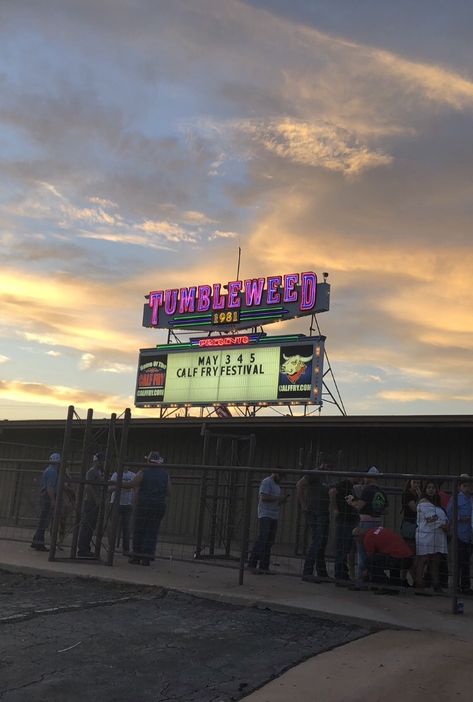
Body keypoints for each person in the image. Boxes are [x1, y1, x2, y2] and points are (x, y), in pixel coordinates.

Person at [347, 466, 388, 590]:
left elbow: (359, 506)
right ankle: (373, 580)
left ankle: (361, 582)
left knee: (362, 553)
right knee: (374, 552)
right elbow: (386, 510)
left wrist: (351, 501)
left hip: (365, 522)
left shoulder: (367, 490)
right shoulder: (381, 492)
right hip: (377, 523)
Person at [127, 451, 170, 566]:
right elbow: (169, 491)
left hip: (143, 504)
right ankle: (147, 557)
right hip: (158, 505)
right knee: (152, 530)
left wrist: (117, 484)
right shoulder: (165, 474)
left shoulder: (143, 472)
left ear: (148, 461)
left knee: (139, 529)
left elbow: (132, 484)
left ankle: (136, 555)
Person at [298, 461, 334, 583]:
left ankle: (321, 572)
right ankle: (307, 572)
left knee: (321, 542)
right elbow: (300, 484)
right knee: (317, 541)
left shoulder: (327, 477)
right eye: (328, 467)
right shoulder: (315, 473)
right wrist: (303, 504)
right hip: (316, 511)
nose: (330, 469)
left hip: (323, 511)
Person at [248, 468, 288, 575]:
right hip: (265, 514)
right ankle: (252, 564)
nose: (281, 480)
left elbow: (275, 501)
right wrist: (278, 498)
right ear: (276, 473)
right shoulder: (267, 482)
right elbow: (264, 497)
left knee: (269, 542)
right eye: (280, 477)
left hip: (274, 514)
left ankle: (264, 566)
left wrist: (281, 500)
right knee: (263, 539)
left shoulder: (277, 486)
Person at [353, 526, 413, 593]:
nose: (354, 539)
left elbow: (371, 560)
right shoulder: (375, 530)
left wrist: (364, 574)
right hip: (408, 558)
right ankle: (395, 585)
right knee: (390, 559)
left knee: (369, 561)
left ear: (359, 536)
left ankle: (386, 586)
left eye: (354, 537)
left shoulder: (368, 538)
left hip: (398, 559)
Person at [415, 481, 449, 594]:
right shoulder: (423, 503)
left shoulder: (437, 502)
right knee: (423, 559)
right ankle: (419, 585)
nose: (431, 490)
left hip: (437, 536)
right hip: (425, 535)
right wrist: (442, 524)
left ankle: (436, 584)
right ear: (425, 489)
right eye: (429, 487)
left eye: (433, 487)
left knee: (435, 561)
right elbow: (430, 519)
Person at [330, 476, 360, 585]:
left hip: (348, 519)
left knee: (345, 548)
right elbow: (332, 492)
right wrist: (336, 509)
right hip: (344, 520)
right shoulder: (344, 485)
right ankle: (340, 576)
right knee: (342, 548)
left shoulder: (350, 487)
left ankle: (343, 574)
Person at [447, 475, 473, 595]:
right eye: (464, 486)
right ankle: (456, 586)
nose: (467, 488)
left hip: (469, 534)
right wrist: (462, 518)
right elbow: (449, 514)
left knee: (466, 562)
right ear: (459, 487)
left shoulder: (471, 499)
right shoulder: (456, 499)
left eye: (469, 486)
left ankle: (466, 586)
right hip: (459, 533)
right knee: (458, 560)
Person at [30, 452, 61, 551]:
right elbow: (50, 488)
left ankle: (36, 541)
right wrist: (53, 500)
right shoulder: (53, 472)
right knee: (44, 521)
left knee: (43, 520)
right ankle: (39, 543)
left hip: (44, 496)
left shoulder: (48, 469)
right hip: (48, 497)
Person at [77, 453, 105, 558]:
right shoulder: (91, 472)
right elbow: (89, 486)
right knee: (87, 525)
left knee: (91, 526)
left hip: (96, 502)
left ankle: (86, 548)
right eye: (100, 461)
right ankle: (82, 549)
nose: (102, 463)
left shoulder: (100, 472)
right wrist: (96, 498)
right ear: (96, 461)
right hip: (90, 501)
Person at [108, 465, 136, 555]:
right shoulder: (116, 475)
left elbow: (135, 488)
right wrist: (119, 487)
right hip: (116, 503)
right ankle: (111, 548)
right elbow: (110, 488)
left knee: (126, 528)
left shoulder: (133, 475)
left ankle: (126, 549)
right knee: (113, 526)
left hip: (127, 504)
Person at [401, 479, 421, 544]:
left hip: (418, 523)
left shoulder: (418, 493)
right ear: (410, 483)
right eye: (414, 482)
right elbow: (414, 508)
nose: (416, 485)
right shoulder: (407, 493)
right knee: (409, 544)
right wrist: (419, 497)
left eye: (418, 483)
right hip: (409, 523)